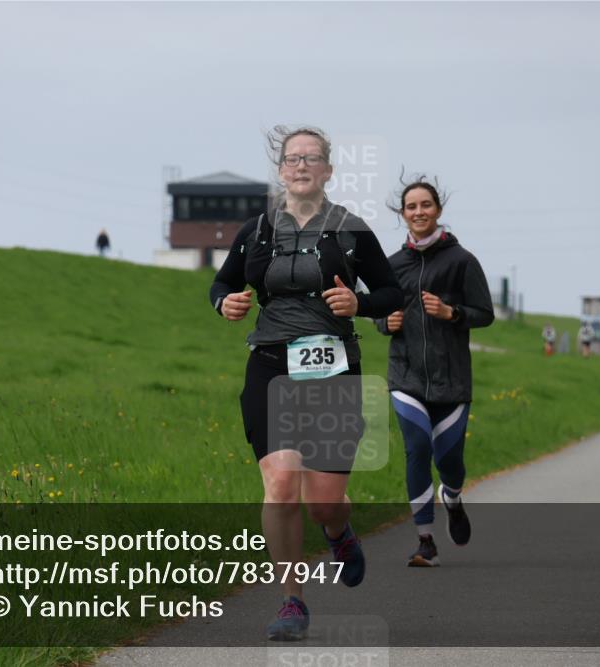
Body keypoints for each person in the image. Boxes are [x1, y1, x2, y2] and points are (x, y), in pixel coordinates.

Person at [209, 126, 403, 640]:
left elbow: (391, 292)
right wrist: (223, 302)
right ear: (280, 170)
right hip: (270, 365)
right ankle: (291, 601)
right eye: (293, 158)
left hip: (332, 370)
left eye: (311, 158)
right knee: (279, 483)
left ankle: (338, 532)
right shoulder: (256, 230)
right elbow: (223, 282)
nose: (300, 166)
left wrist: (361, 304)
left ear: (328, 171)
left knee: (323, 502)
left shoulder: (352, 229)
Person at [375, 175, 494, 567]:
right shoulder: (392, 266)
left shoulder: (462, 261)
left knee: (450, 461)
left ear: (438, 210)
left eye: (425, 205)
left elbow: (485, 314)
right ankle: (425, 540)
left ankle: (454, 497)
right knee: (417, 448)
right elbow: (379, 312)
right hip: (405, 375)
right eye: (411, 206)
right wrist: (384, 322)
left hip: (452, 380)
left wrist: (451, 312)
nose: (419, 212)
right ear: (403, 214)